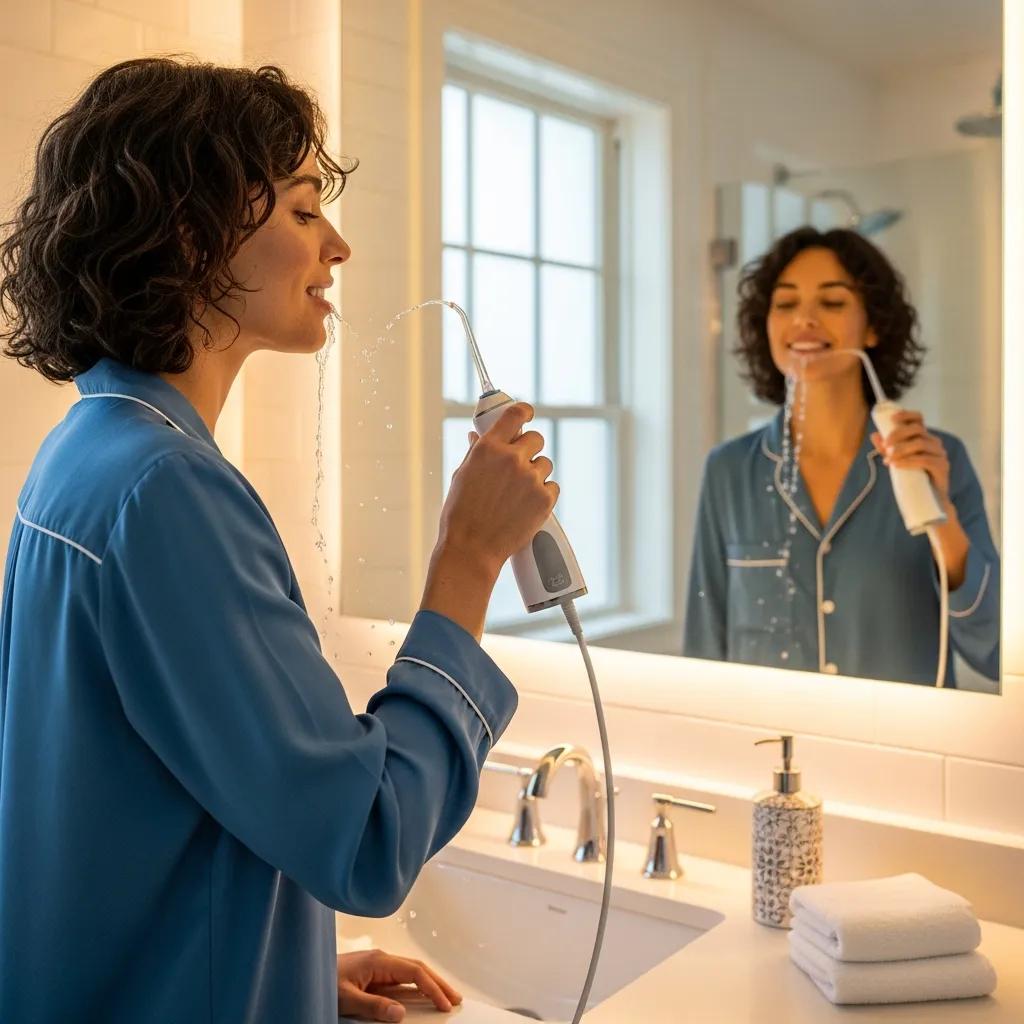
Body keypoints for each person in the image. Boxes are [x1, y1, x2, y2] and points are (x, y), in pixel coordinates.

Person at [0, 58, 558, 1023]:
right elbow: (369, 838)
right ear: (190, 230)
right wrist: (468, 563)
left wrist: (285, 969)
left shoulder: (86, 450)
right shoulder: (166, 491)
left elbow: (122, 812)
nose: (337, 246)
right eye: (304, 212)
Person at [684, 227, 999, 687]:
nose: (804, 320)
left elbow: (994, 651)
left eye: (832, 303)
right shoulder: (728, 472)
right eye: (786, 304)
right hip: (769, 754)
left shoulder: (938, 459)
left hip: (904, 753)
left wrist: (943, 521)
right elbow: (704, 654)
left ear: (873, 327)